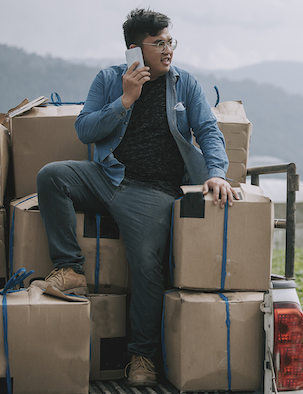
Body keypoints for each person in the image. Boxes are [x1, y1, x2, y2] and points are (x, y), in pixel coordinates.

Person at [31, 8, 238, 387]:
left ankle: (141, 356)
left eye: (169, 41)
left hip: (153, 191)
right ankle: (70, 269)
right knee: (52, 176)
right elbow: (85, 130)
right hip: (107, 176)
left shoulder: (185, 83)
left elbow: (208, 130)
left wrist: (216, 174)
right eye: (157, 43)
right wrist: (125, 99)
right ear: (134, 48)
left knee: (146, 264)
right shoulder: (110, 79)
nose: (167, 49)